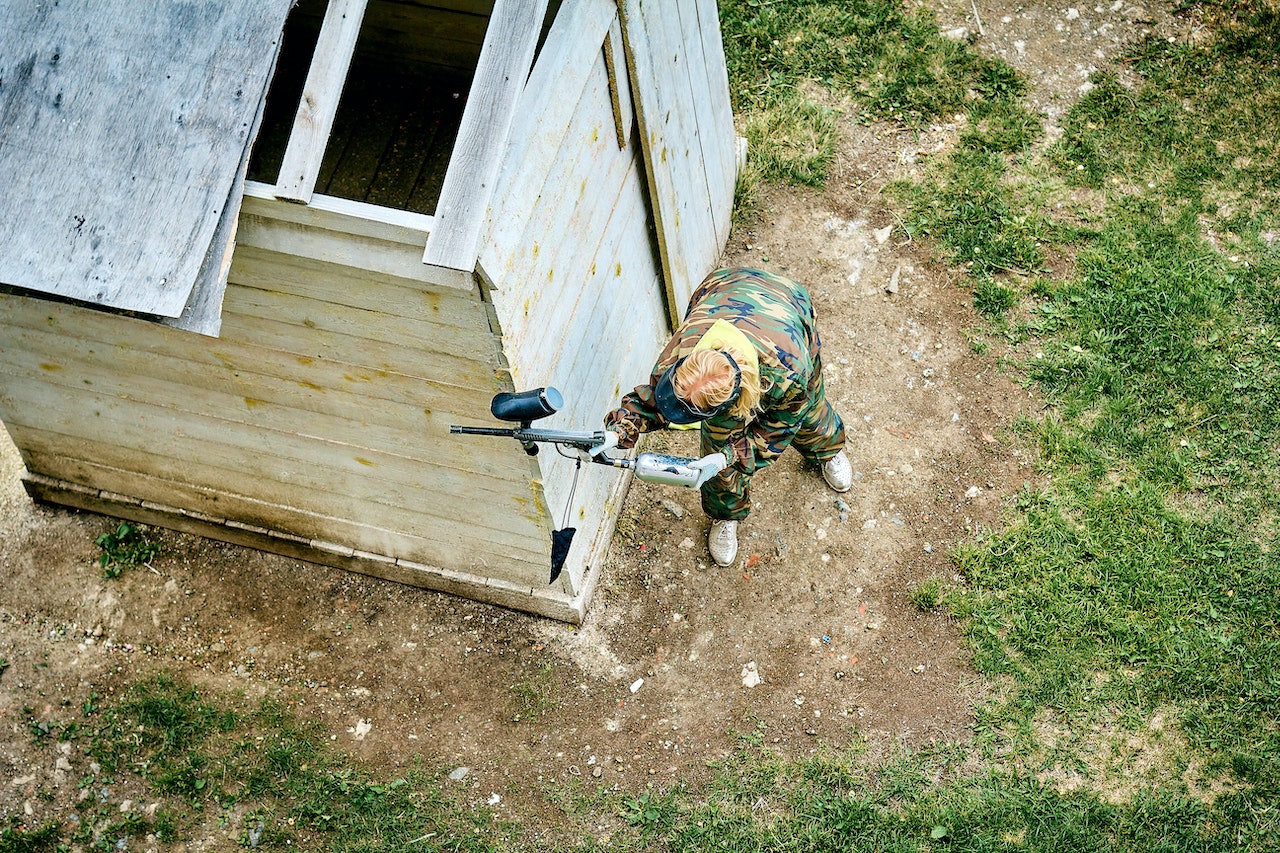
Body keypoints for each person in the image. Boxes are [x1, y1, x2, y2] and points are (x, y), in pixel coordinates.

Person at [598, 267, 851, 566]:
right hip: (725, 286)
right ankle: (725, 514)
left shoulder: (789, 373)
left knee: (809, 412)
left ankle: (827, 450)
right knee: (716, 455)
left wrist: (731, 456)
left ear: (729, 402)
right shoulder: (685, 350)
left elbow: (774, 435)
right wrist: (618, 430)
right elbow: (654, 401)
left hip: (788, 312)